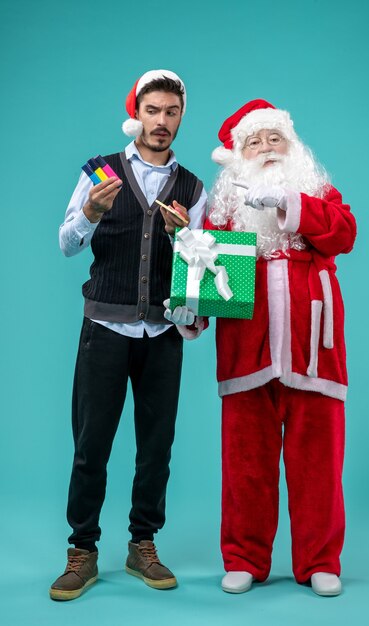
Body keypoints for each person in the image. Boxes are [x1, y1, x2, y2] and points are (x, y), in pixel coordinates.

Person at [167, 99, 356, 596]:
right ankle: (246, 558)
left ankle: (320, 561)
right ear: (238, 156)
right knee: (246, 464)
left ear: (293, 148)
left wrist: (288, 204)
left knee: (318, 463)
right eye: (254, 141)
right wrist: (192, 312)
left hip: (314, 352)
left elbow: (344, 233)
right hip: (246, 353)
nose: (267, 148)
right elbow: (209, 275)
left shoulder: (318, 194)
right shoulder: (226, 213)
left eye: (275, 138)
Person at [50, 70, 206, 601]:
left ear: (181, 117)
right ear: (136, 113)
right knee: (91, 445)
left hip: (162, 331)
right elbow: (67, 244)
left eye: (172, 113)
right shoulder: (99, 171)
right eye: (153, 111)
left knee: (156, 448)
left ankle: (143, 544)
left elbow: (199, 273)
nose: (162, 122)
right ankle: (83, 551)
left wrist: (183, 237)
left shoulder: (193, 188)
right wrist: (91, 213)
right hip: (105, 328)